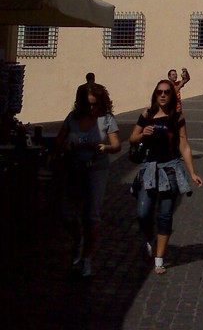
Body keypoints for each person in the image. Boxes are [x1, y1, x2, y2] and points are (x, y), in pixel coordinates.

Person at [130, 80, 203, 275]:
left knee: (165, 214)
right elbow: (132, 138)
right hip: (149, 169)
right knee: (143, 213)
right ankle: (149, 237)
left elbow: (184, 145)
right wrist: (142, 134)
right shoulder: (147, 115)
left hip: (170, 169)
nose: (163, 95)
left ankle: (159, 259)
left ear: (172, 95)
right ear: (155, 94)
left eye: (167, 92)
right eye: (159, 92)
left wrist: (192, 172)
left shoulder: (176, 118)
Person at [54, 82, 121, 277]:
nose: (92, 109)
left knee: (91, 216)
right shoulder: (73, 118)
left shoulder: (106, 119)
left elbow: (116, 145)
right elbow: (59, 139)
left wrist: (104, 147)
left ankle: (87, 258)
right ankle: (78, 240)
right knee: (67, 213)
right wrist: (65, 146)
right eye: (88, 105)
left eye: (95, 105)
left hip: (96, 169)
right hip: (74, 168)